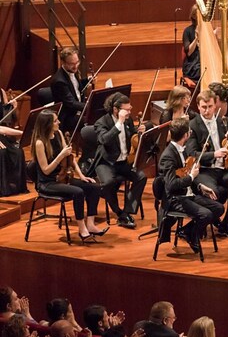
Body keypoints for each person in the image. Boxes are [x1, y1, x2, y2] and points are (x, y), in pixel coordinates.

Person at [31, 109, 105, 242]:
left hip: (63, 178)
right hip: (48, 183)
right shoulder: (40, 143)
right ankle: (82, 229)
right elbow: (46, 170)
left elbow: (70, 158)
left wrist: (82, 176)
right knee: (78, 192)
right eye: (55, 120)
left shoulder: (58, 134)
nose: (58, 122)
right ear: (47, 124)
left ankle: (91, 224)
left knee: (94, 186)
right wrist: (60, 156)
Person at [187, 90, 228, 240]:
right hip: (205, 171)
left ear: (215, 106)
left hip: (224, 168)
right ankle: (211, 221)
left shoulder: (223, 121)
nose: (207, 110)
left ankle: (225, 224)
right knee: (214, 194)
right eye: (203, 107)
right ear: (198, 106)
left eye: (210, 106)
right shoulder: (193, 125)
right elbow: (192, 154)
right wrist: (213, 154)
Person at [157, 117, 225, 254]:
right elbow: (171, 185)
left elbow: (185, 175)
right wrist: (191, 177)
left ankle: (187, 232)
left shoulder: (185, 149)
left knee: (218, 208)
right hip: (176, 199)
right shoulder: (168, 156)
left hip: (189, 194)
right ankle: (190, 234)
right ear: (186, 135)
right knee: (205, 215)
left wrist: (200, 186)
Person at [93, 92, 147, 230]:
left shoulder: (127, 121)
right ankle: (118, 212)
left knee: (141, 177)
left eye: (130, 109)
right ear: (116, 109)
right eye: (127, 110)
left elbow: (129, 133)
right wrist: (119, 123)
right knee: (109, 182)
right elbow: (104, 140)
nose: (130, 112)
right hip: (106, 162)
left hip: (123, 161)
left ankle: (127, 211)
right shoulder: (101, 123)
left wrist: (139, 130)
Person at [51, 47, 89, 134]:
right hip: (68, 117)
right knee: (93, 120)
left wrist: (87, 80)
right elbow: (71, 103)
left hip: (77, 111)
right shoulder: (59, 81)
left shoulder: (72, 71)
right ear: (63, 63)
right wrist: (89, 107)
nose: (75, 66)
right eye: (72, 64)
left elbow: (75, 87)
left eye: (77, 62)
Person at [0, 88, 26, 197]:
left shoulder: (1, 92)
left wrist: (14, 108)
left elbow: (4, 123)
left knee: (18, 152)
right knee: (2, 153)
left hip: (1, 133)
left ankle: (16, 187)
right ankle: (3, 189)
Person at [182, 4, 201, 87]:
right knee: (201, 70)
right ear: (194, 16)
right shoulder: (188, 31)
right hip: (193, 62)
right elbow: (189, 52)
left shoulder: (208, 29)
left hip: (204, 59)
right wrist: (196, 38)